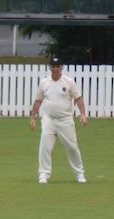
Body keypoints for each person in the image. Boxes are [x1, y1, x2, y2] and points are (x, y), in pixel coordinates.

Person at [29, 56, 88, 184]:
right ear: (50, 67)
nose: (55, 69)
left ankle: (79, 174)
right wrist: (33, 116)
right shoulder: (45, 83)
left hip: (65, 119)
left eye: (58, 66)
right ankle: (43, 174)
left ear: (61, 68)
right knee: (45, 146)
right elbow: (38, 100)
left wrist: (82, 114)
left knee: (72, 147)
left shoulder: (68, 82)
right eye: (53, 66)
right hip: (49, 119)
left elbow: (78, 98)